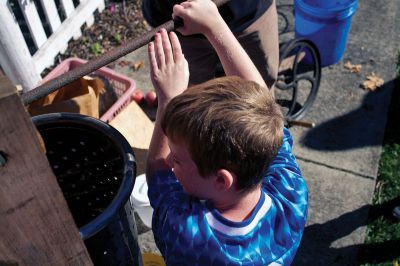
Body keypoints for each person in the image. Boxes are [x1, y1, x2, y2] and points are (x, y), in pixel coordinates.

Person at [145, 1, 307, 265]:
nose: (171, 163)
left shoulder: (189, 233)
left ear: (222, 180)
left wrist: (166, 99)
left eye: (178, 158)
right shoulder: (290, 194)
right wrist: (215, 24)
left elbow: (158, 174)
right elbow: (264, 107)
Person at [142, 0, 279, 89]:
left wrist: (213, 25)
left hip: (249, 15)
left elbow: (261, 108)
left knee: (262, 83)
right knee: (191, 99)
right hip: (174, 25)